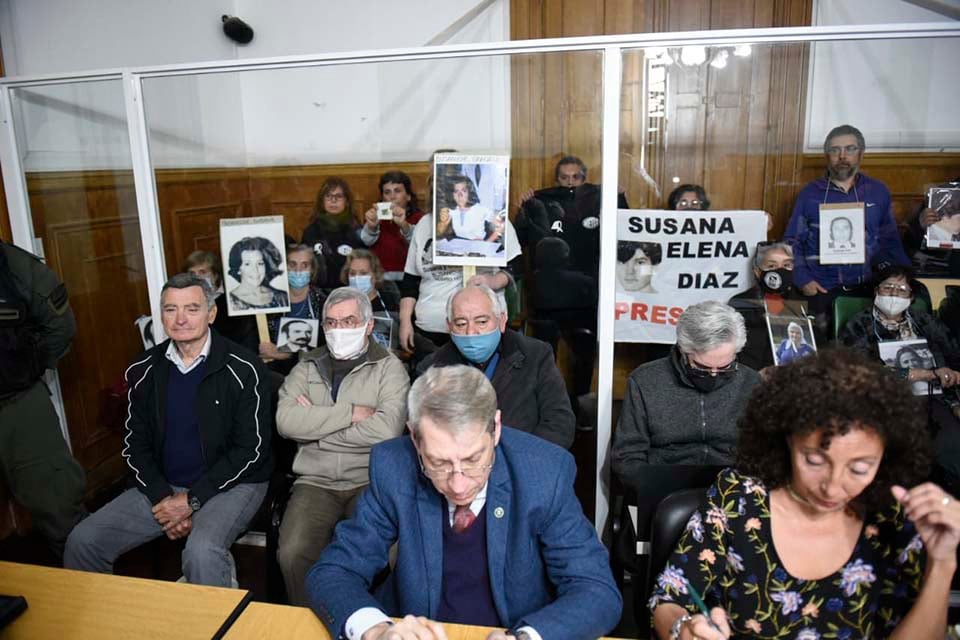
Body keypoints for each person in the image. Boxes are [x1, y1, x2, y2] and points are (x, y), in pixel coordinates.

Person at [650, 349, 960, 640]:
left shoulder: (897, 515)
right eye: (814, 461)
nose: (832, 485)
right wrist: (683, 628)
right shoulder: (739, 497)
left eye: (860, 468)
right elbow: (669, 599)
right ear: (786, 440)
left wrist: (943, 564)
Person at [306, 365, 622, 640]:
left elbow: (596, 591)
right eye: (438, 463)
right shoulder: (393, 466)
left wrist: (527, 637)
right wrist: (376, 630)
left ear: (495, 429)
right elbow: (334, 572)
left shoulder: (544, 472)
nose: (458, 485)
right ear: (414, 438)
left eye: (473, 460)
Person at [64, 273, 272, 586]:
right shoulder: (144, 369)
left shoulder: (243, 368)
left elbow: (251, 451)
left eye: (191, 308)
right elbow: (135, 446)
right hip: (163, 486)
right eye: (170, 309)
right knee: (83, 541)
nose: (181, 319)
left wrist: (191, 501)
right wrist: (166, 501)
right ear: (161, 315)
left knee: (202, 552)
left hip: (232, 484)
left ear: (211, 314)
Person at [276, 286, 408, 606]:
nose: (339, 330)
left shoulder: (390, 368)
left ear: (368, 325)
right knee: (292, 553)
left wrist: (313, 429)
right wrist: (349, 414)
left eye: (349, 321)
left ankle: (373, 621)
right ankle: (310, 621)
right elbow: (285, 422)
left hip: (369, 478)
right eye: (331, 323)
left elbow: (386, 431)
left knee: (390, 555)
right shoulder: (307, 365)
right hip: (315, 481)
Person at [839, 264, 960, 491]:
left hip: (933, 398)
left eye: (902, 289)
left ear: (911, 296)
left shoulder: (925, 322)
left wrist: (951, 377)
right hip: (883, 400)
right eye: (888, 288)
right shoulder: (859, 324)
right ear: (877, 291)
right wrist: (920, 373)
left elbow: (953, 355)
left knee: (951, 448)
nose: (894, 294)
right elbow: (859, 371)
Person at [0, 240, 85, 555]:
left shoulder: (16, 267)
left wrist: (22, 368)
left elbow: (60, 328)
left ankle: (91, 593)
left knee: (58, 506)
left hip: (17, 405)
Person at [416, 284, 575, 449]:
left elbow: (560, 422)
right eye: (461, 324)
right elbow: (423, 433)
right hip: (459, 467)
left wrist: (522, 463)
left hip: (524, 463)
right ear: (449, 326)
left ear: (502, 321)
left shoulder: (536, 355)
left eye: (482, 322)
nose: (471, 332)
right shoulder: (431, 369)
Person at [783, 124, 909, 331]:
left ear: (861, 153)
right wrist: (803, 279)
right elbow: (792, 241)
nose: (842, 156)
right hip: (821, 288)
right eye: (835, 150)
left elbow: (890, 239)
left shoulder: (877, 191)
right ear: (827, 155)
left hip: (867, 288)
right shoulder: (810, 194)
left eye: (850, 149)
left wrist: (903, 276)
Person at [612, 301, 759, 476]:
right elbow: (627, 454)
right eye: (702, 368)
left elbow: (766, 452)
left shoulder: (751, 382)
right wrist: (646, 483)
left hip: (735, 484)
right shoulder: (646, 381)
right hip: (664, 481)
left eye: (725, 367)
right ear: (683, 350)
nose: (713, 375)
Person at [514, 155, 629, 278]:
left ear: (584, 179)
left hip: (592, 276)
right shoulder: (540, 202)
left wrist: (619, 198)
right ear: (557, 180)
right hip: (553, 277)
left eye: (576, 177)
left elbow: (624, 232)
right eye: (564, 177)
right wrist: (525, 208)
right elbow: (520, 239)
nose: (570, 182)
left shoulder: (599, 196)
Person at [728, 242, 818, 372]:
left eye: (786, 265)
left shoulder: (803, 301)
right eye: (771, 266)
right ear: (758, 272)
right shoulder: (742, 303)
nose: (780, 271)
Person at [260, 244, 327, 375]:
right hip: (273, 374)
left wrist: (284, 354)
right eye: (292, 264)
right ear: (285, 267)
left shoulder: (323, 303)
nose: (298, 270)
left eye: (304, 265)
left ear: (312, 269)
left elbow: (323, 347)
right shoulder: (268, 301)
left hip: (312, 374)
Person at [184, 250, 259, 353]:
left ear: (215, 275)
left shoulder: (234, 298)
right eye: (192, 273)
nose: (197, 278)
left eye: (203, 272)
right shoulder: (185, 303)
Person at [301, 177, 364, 290]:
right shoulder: (311, 231)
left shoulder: (357, 231)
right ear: (322, 201)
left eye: (338, 196)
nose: (333, 200)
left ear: (347, 201)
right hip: (319, 292)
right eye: (328, 196)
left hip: (351, 291)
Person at [362, 171, 424, 281]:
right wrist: (371, 227)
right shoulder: (376, 217)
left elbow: (421, 245)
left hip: (410, 278)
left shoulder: (419, 218)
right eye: (387, 192)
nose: (392, 197)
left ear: (408, 196)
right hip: (381, 279)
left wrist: (404, 225)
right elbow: (366, 241)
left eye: (397, 191)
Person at [340, 249, 400, 352]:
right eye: (353, 273)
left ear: (375, 275)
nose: (357, 278)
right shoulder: (340, 305)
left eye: (363, 273)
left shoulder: (391, 302)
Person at [227, 236, 290, 310]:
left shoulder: (282, 297)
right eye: (247, 264)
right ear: (238, 269)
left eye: (260, 263)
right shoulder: (229, 302)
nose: (255, 270)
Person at [437, 174, 502, 243]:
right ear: (452, 194)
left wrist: (487, 242)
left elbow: (501, 226)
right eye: (456, 191)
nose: (460, 195)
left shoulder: (481, 210)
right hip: (459, 247)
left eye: (464, 191)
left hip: (478, 248)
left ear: (469, 192)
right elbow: (438, 233)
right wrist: (443, 222)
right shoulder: (451, 210)